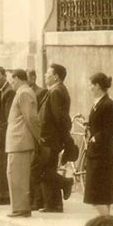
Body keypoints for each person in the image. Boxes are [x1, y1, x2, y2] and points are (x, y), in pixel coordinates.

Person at [84, 73, 113, 215]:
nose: (89, 88)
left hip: (103, 156)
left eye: (91, 85)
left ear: (97, 86)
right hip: (96, 153)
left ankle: (106, 221)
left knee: (98, 196)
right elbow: (101, 123)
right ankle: (105, 220)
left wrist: (97, 137)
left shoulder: (108, 104)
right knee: (99, 196)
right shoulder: (98, 103)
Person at [37, 64, 72, 214]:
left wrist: (63, 138)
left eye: (48, 73)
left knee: (43, 170)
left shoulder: (56, 91)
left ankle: (65, 182)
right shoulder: (56, 90)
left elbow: (59, 118)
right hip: (51, 138)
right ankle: (54, 205)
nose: (45, 75)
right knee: (48, 168)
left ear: (56, 76)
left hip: (50, 138)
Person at [5, 70, 40, 218]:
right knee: (14, 175)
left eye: (12, 80)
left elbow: (31, 117)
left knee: (17, 176)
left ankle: (21, 208)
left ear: (18, 79)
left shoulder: (24, 93)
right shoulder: (23, 92)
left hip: (20, 141)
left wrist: (38, 137)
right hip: (17, 141)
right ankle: (19, 207)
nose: (11, 83)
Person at [0, 67, 14, 206]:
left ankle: (4, 195)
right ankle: (3, 193)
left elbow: (7, 117)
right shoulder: (0, 91)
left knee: (1, 164)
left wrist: (1, 136)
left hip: (3, 135)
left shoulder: (8, 92)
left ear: (5, 76)